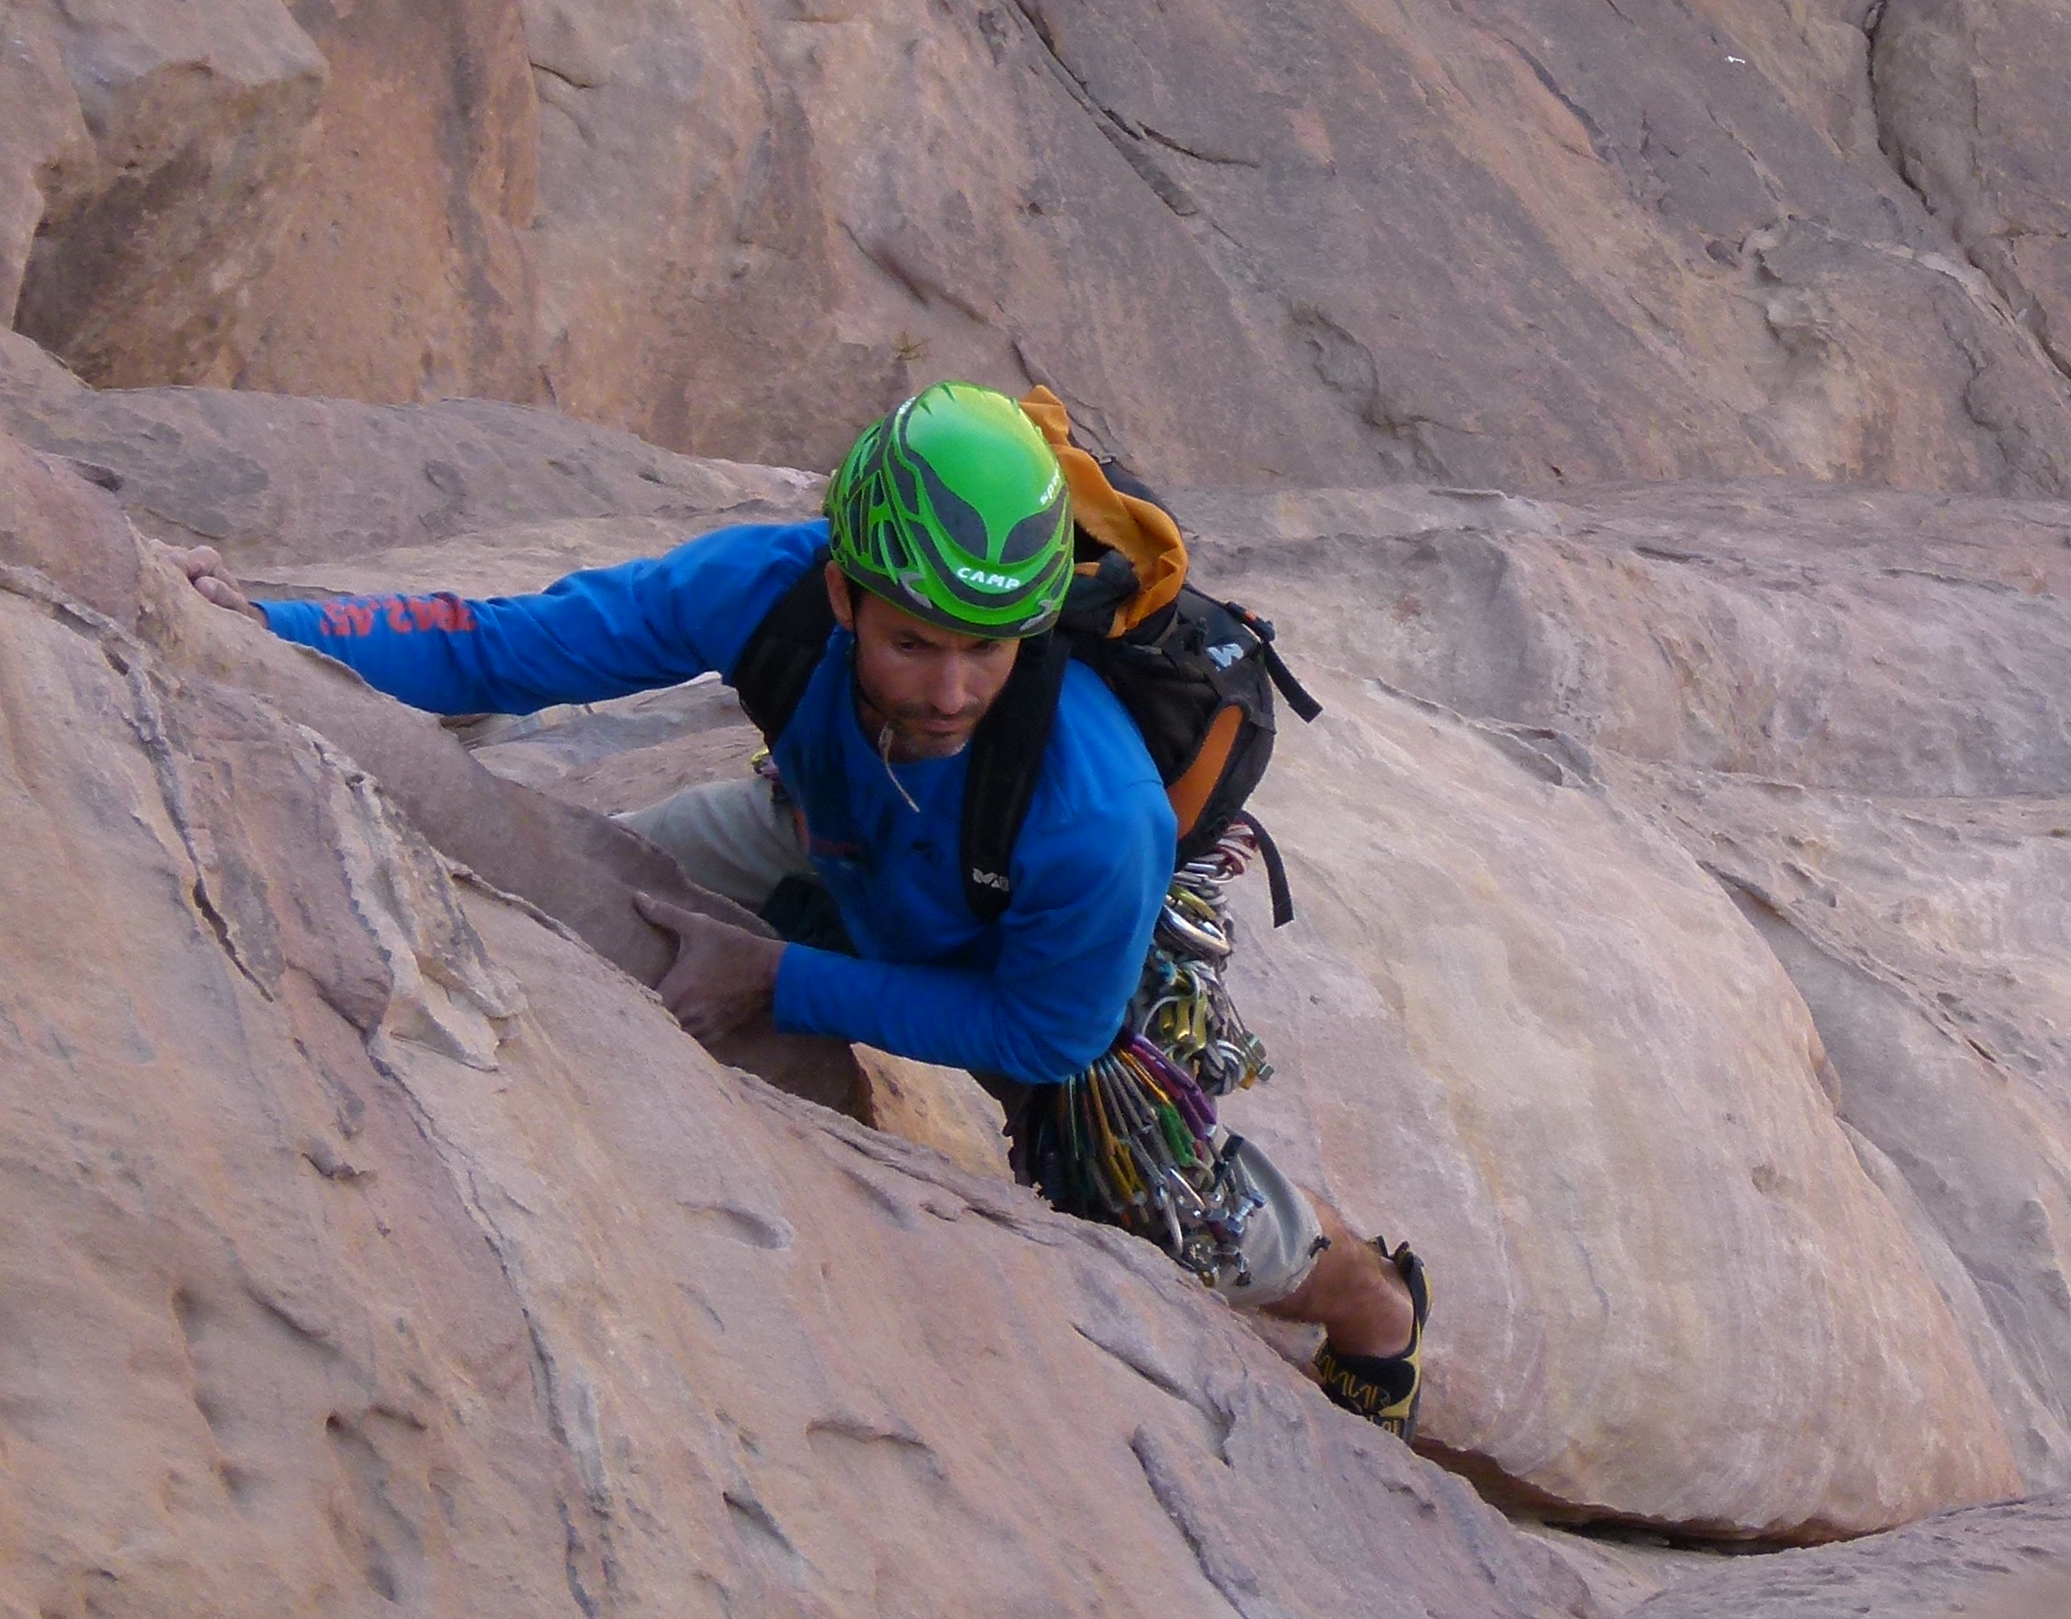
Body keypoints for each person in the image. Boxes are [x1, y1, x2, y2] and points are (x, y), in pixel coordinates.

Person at [181, 382, 1439, 1439]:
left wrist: (777, 981)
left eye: (988, 649)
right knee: (583, 894)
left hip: (1016, 948)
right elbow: (505, 647)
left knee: (1185, 1220)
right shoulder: (769, 589)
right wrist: (256, 628)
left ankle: (1373, 1307)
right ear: (843, 595)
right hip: (831, 835)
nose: (951, 691)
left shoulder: (1093, 811)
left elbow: (1050, 1033)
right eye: (913, 643)